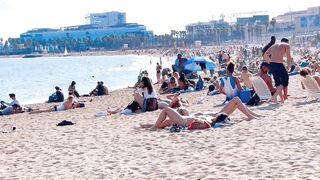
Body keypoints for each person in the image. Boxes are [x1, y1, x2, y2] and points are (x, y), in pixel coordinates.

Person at [140, 97, 261, 131]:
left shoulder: (211, 120)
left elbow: (194, 125)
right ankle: (252, 115)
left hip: (184, 120)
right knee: (236, 100)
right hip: (185, 119)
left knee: (166, 110)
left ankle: (153, 126)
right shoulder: (213, 117)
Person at [263, 38, 293, 103]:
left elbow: (265, 55)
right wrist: (288, 67)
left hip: (272, 65)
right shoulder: (287, 45)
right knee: (285, 80)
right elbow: (289, 57)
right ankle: (279, 97)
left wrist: (269, 62)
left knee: (277, 82)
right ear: (287, 42)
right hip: (279, 64)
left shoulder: (274, 45)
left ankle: (281, 99)